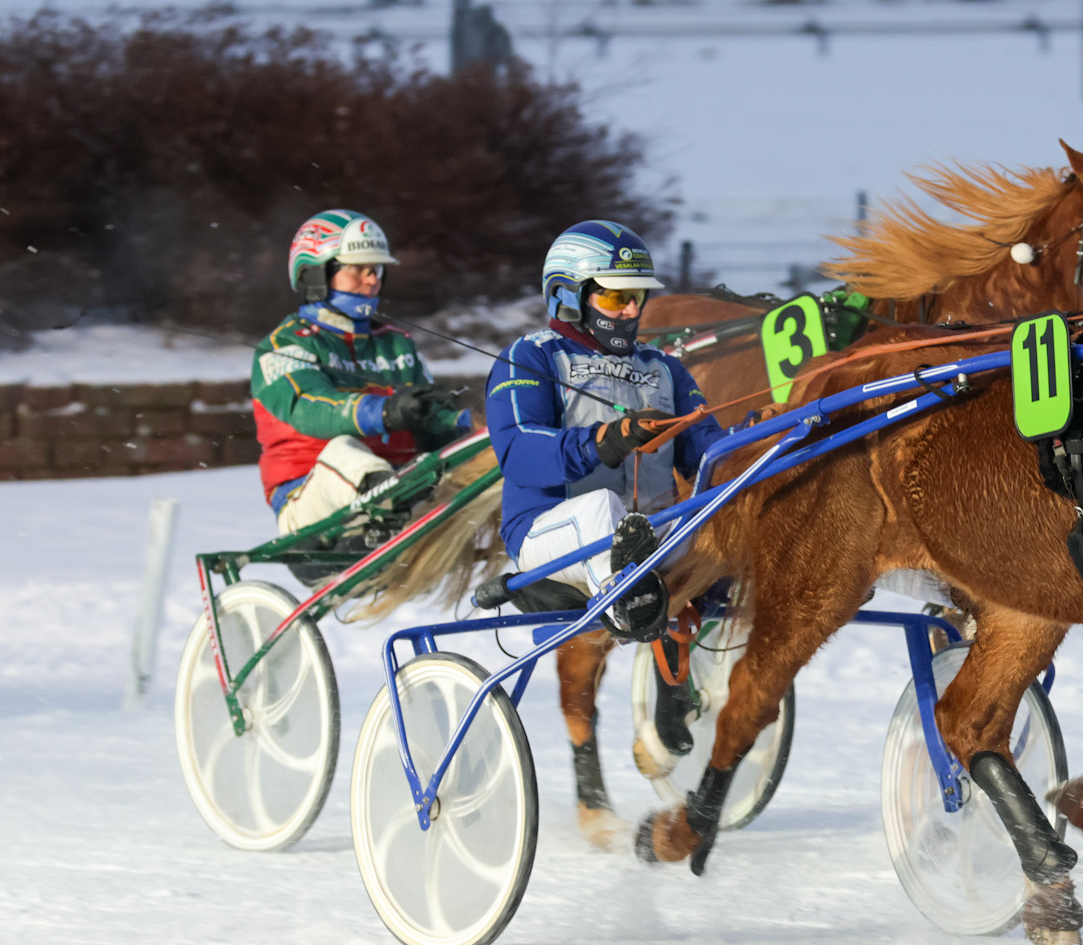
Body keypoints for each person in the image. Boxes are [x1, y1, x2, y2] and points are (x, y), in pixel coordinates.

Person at [486, 220, 728, 777]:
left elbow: (709, 451)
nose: (629, 311)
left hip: (647, 534)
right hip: (550, 537)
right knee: (605, 514)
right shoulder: (530, 357)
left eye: (636, 297)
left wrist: (757, 442)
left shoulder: (664, 369)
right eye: (616, 295)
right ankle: (638, 610)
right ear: (569, 294)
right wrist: (604, 440)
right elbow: (519, 450)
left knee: (720, 512)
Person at [252, 210, 469, 537]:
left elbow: (434, 423)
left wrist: (475, 425)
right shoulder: (284, 345)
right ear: (316, 275)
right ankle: (385, 497)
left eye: (377, 269)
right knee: (342, 449)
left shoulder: (398, 345)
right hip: (310, 502)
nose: (372, 280)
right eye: (357, 269)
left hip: (400, 485)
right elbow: (310, 410)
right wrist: (385, 411)